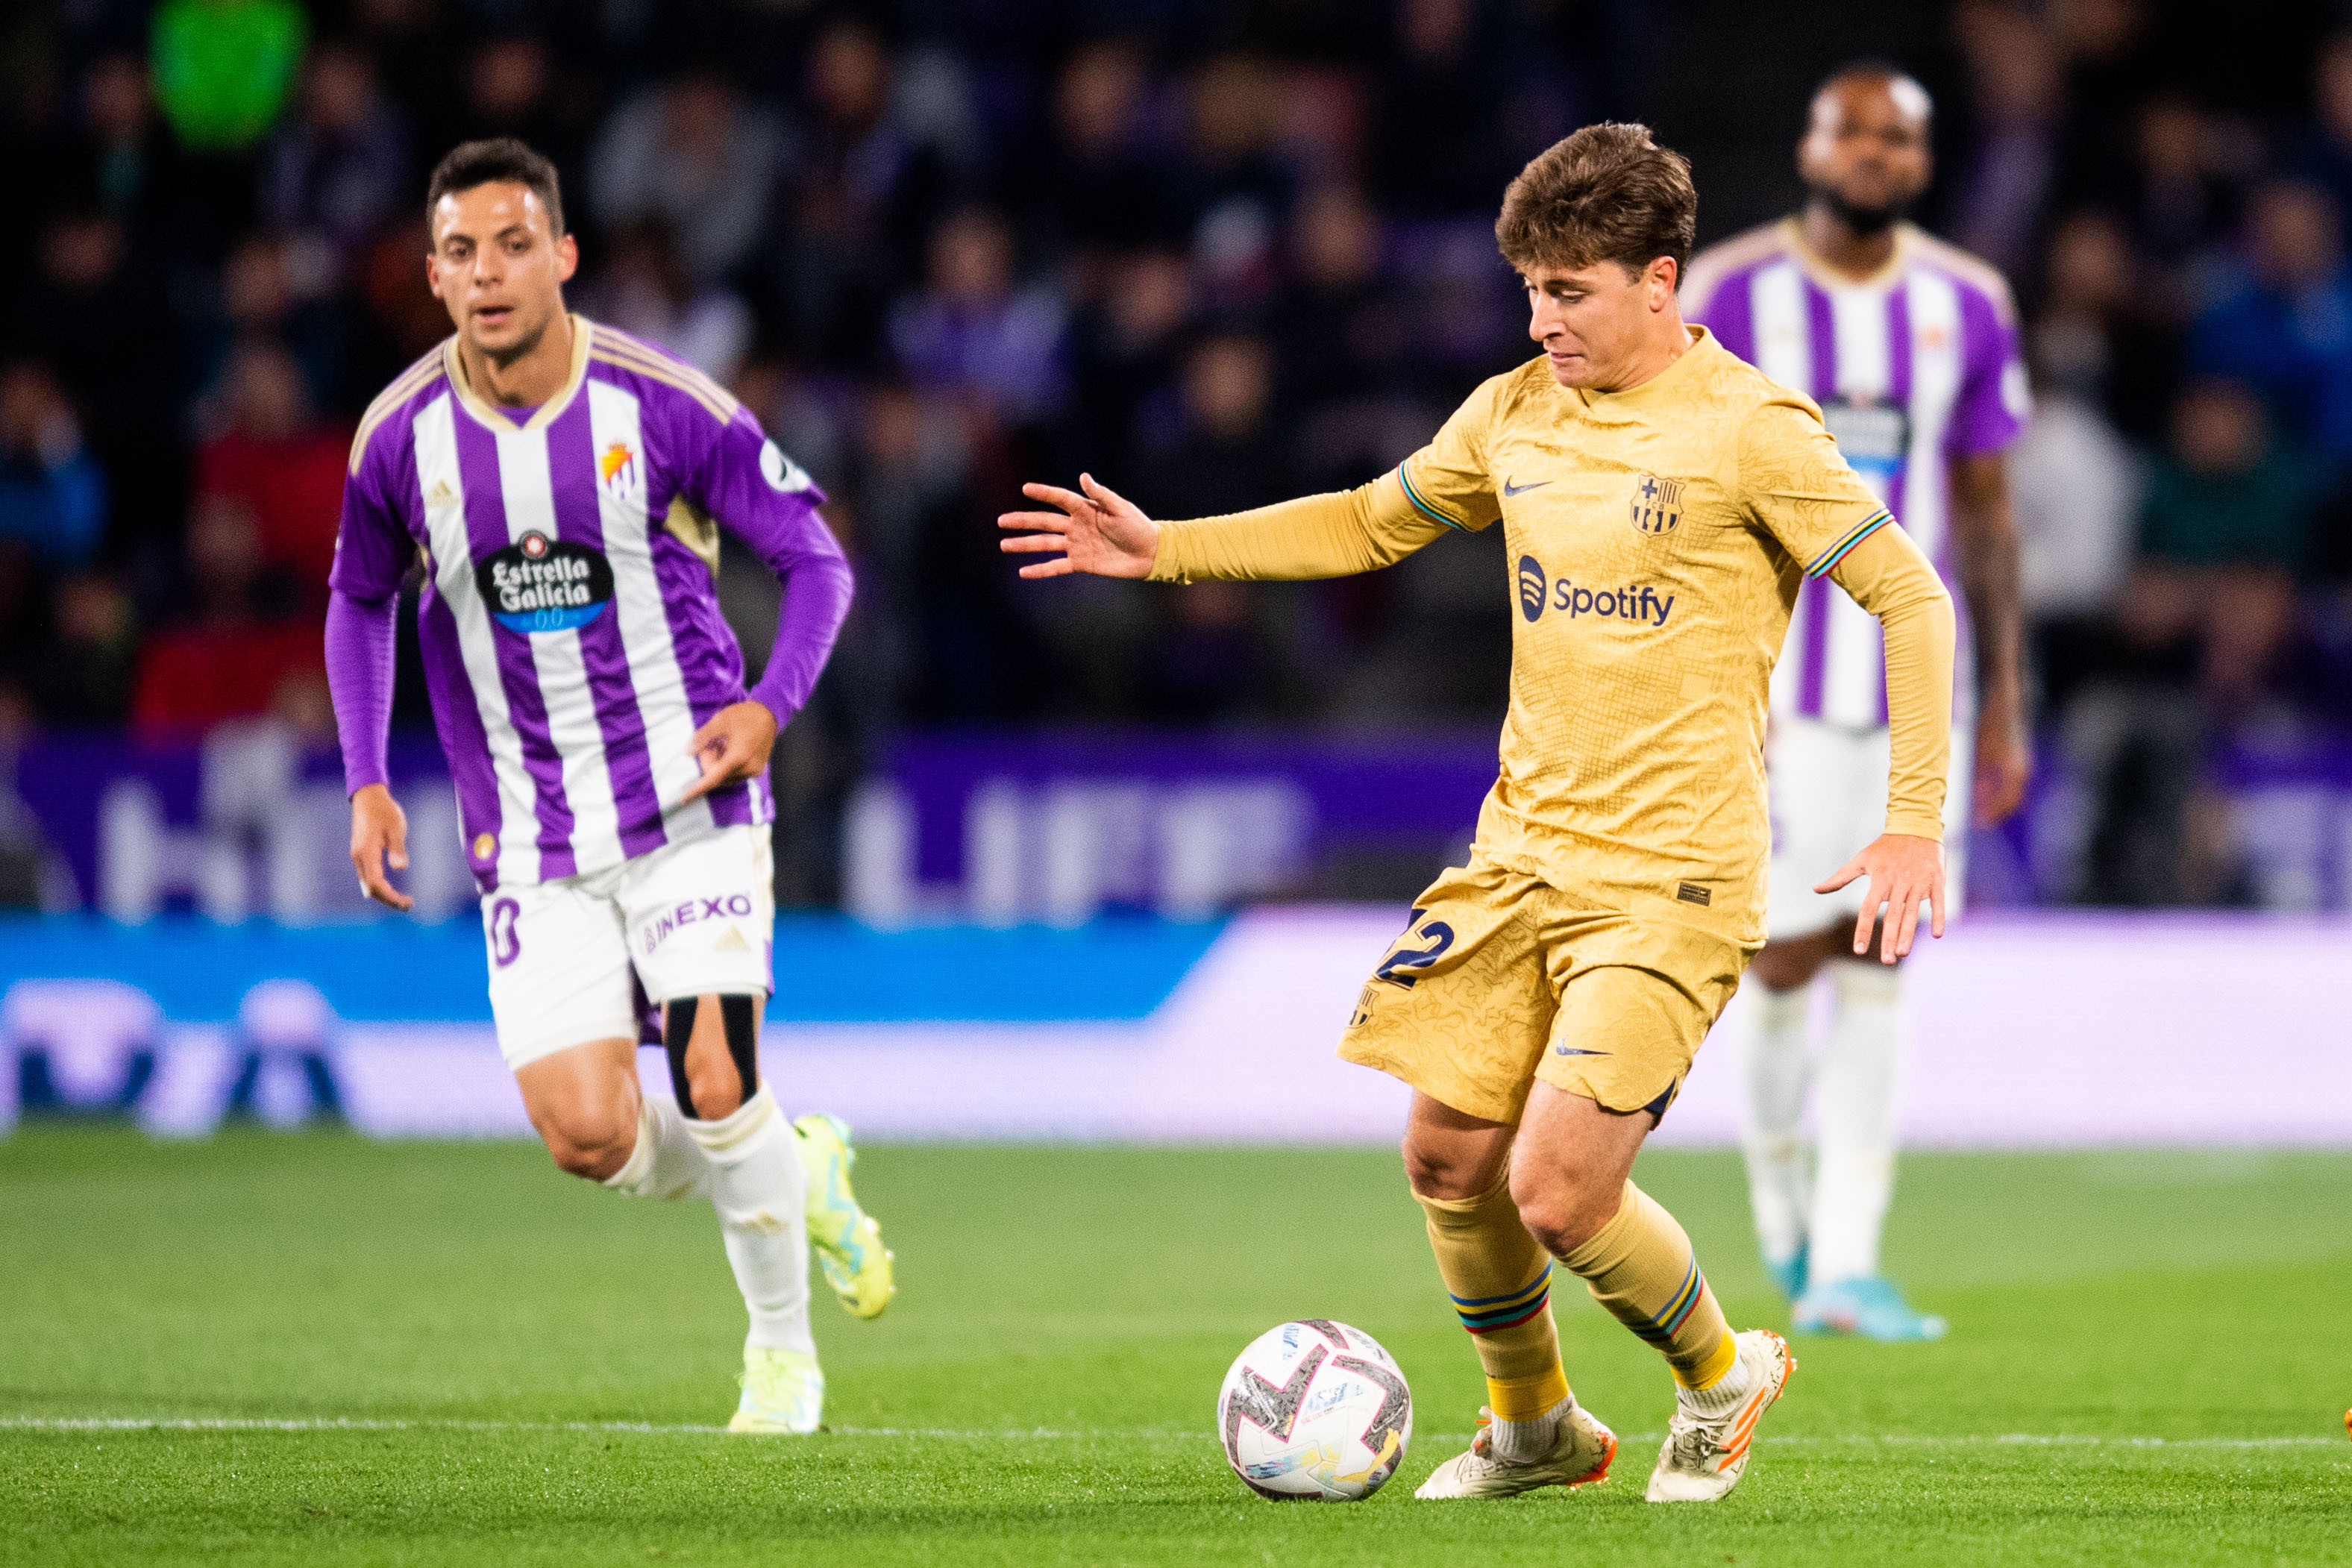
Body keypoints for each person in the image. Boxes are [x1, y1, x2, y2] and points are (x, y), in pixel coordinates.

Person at [1002, 122, 1955, 1504]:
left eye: (1568, 291)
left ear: (1659, 280)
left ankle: (1721, 1375)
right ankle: (1538, 1432)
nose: (1540, 319)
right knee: (1449, 1158)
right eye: (1528, 289)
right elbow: (1367, 521)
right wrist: (1168, 551)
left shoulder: (1751, 430)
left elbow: (1910, 598)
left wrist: (1910, 818)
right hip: (1517, 856)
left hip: (1670, 879)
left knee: (1557, 1191)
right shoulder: (1510, 412)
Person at [328, 139, 888, 1434]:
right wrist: (366, 778)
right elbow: (358, 600)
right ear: (431, 273)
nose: (488, 273)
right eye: (461, 252)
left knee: (713, 1072)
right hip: (525, 832)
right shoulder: (399, 437)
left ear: (562, 256)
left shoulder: (661, 404)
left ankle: (781, 1358)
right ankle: (791, 1166)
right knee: (587, 1131)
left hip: (688, 794)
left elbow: (817, 561)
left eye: (513, 244)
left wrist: (766, 706)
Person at [1682, 63, 2030, 1343]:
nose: (1872, 153)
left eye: (1897, 137)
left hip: (1909, 695)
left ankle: (1844, 1259)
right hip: (1769, 691)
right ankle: (1779, 1206)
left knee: (1884, 955)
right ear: (1810, 144)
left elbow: (1985, 519)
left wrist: (2004, 702)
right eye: (1852, 132)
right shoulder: (1726, 296)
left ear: (1921, 164)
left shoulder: (1966, 303)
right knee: (1776, 955)